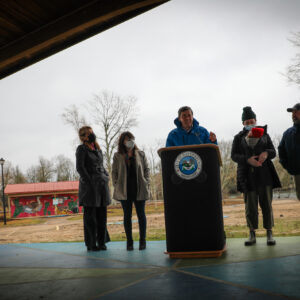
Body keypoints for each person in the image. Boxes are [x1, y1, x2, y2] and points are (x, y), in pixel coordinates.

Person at [231, 106, 281, 246]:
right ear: (243, 124)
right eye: (246, 122)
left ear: (256, 120)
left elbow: (273, 151)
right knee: (250, 207)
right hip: (247, 177)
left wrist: (266, 154)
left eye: (251, 121)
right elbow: (234, 156)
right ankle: (252, 234)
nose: (249, 124)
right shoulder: (238, 137)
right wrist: (247, 159)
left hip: (265, 175)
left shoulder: (265, 134)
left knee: (267, 205)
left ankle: (269, 233)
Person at [112, 132, 150, 251]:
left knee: (141, 216)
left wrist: (146, 182)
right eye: (127, 139)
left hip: (139, 189)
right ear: (122, 141)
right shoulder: (117, 155)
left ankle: (142, 241)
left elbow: (146, 169)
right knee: (127, 216)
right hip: (125, 191)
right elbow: (114, 172)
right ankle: (129, 242)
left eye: (132, 139)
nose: (130, 141)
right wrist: (116, 184)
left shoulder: (141, 154)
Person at [76, 126, 111, 251]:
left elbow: (101, 165)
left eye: (92, 132)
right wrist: (90, 181)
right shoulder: (81, 149)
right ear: (83, 137)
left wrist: (106, 176)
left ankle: (102, 242)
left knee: (102, 216)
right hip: (90, 188)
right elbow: (80, 168)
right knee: (90, 218)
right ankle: (91, 244)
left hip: (102, 185)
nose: (92, 135)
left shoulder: (98, 148)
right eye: (89, 133)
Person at [278, 103, 300, 200]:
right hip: (297, 174)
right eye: (292, 113)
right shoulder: (287, 134)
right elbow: (281, 151)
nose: (293, 115)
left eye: (296, 112)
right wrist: (288, 167)